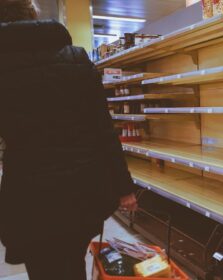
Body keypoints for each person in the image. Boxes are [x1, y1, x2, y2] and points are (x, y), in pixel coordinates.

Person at [0, 0, 138, 279]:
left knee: (41, 268)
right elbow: (103, 130)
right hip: (80, 189)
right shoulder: (76, 58)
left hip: (28, 192)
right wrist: (124, 187)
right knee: (73, 264)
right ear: (33, 15)